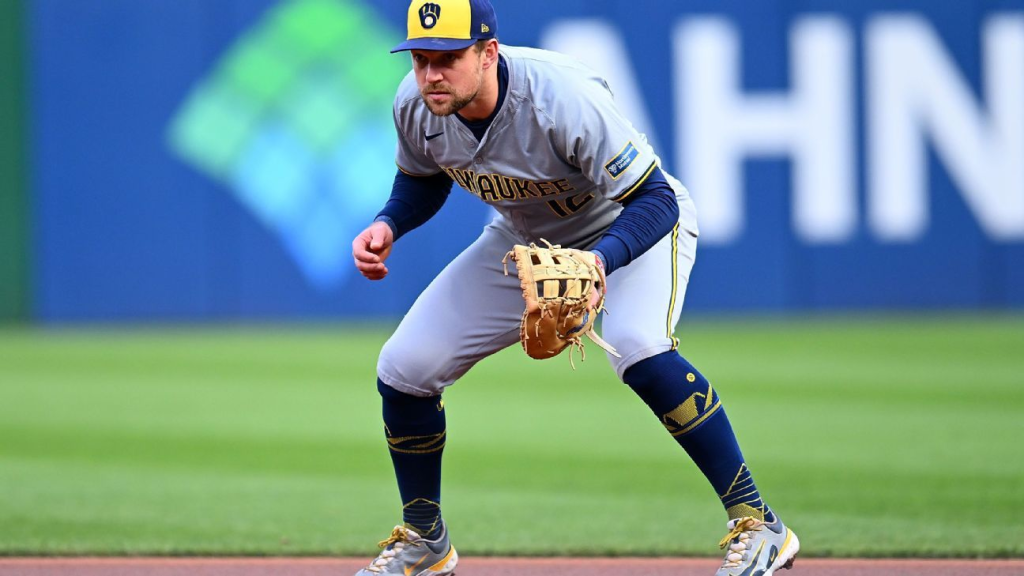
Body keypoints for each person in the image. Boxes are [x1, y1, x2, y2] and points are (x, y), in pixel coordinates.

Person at [350, 1, 800, 574]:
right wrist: (389, 222)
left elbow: (655, 199)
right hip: (525, 240)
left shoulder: (559, 97)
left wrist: (598, 264)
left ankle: (760, 524)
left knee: (638, 348)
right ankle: (425, 541)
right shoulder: (416, 104)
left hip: (629, 228)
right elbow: (422, 177)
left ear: (488, 53)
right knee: (404, 368)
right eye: (421, 59)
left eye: (448, 58)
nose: (431, 74)